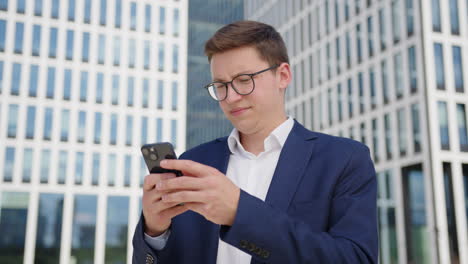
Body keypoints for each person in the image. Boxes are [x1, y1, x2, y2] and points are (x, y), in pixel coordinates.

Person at [132, 20, 378, 264]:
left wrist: (239, 213)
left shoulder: (344, 159)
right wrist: (155, 231)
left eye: (244, 80)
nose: (231, 97)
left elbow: (356, 259)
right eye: (221, 85)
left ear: (282, 76)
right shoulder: (192, 163)